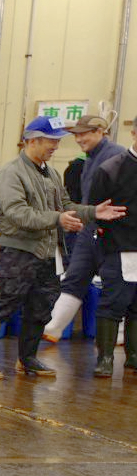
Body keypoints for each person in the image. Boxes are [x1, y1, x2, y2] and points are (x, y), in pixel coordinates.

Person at [0, 116, 124, 379]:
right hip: (19, 251)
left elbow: (66, 205)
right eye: (51, 141)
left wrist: (93, 212)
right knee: (5, 304)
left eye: (57, 141)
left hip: (47, 252)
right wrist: (58, 219)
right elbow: (18, 213)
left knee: (41, 305)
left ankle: (28, 359)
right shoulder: (11, 173)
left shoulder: (51, 173)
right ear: (32, 140)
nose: (55, 146)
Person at [43, 115, 128, 345]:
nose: (79, 138)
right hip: (89, 227)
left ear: (101, 131)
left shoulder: (118, 156)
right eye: (77, 134)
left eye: (85, 133)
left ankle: (119, 337)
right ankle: (55, 327)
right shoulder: (90, 158)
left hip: (114, 232)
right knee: (75, 276)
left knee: (115, 284)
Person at [91, 142, 137, 375]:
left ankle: (134, 355)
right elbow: (95, 209)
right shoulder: (111, 169)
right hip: (120, 248)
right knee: (113, 303)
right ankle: (105, 358)